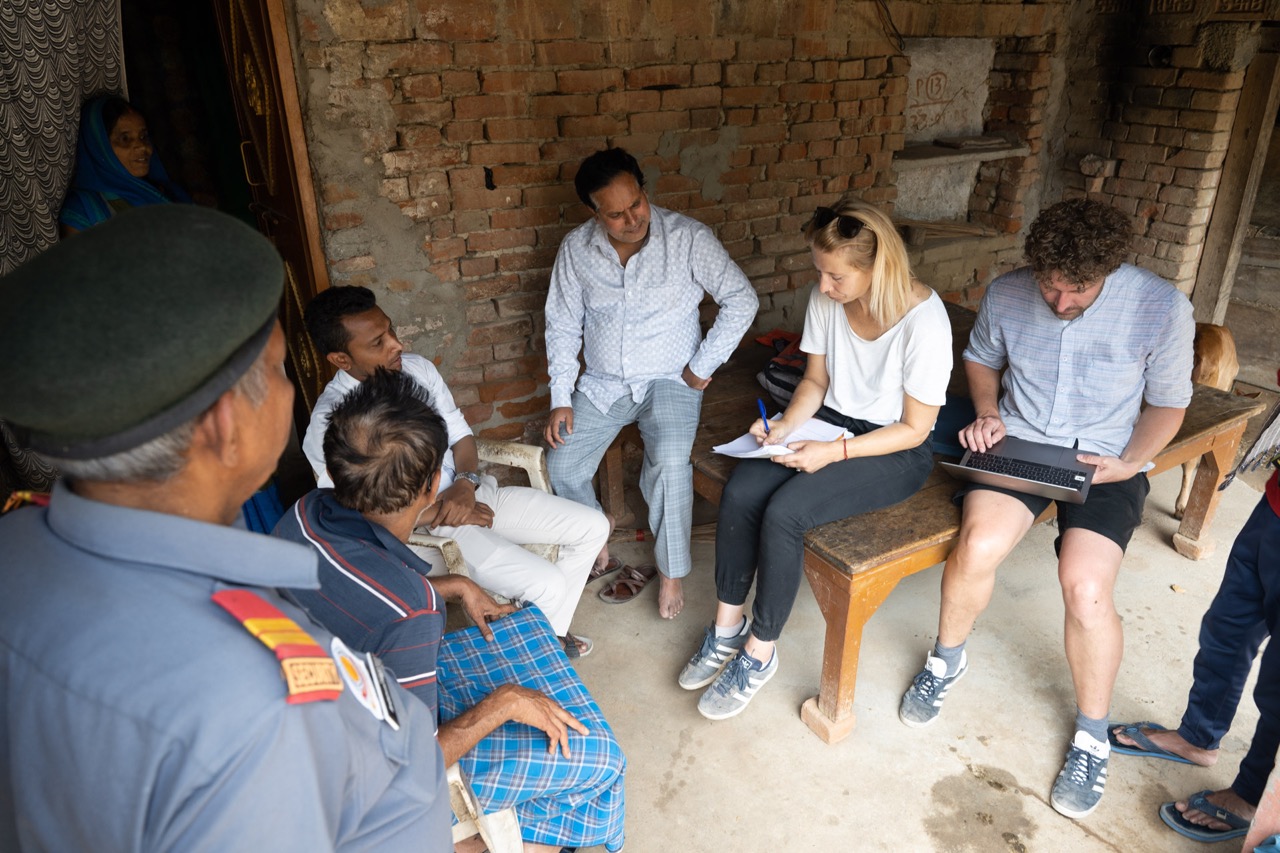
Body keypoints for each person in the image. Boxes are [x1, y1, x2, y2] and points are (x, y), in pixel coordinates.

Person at [0, 206, 450, 850]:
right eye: (276, 371)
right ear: (223, 424)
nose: (292, 392)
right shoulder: (252, 706)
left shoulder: (15, 546)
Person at [898, 198, 1196, 820]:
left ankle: (1092, 734)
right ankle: (944, 662)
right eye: (1050, 286)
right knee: (976, 546)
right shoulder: (1008, 293)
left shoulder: (1162, 307)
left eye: (1078, 290)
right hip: (1024, 441)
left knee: (1085, 586)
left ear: (1109, 271)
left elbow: (1168, 405)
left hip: (1105, 459)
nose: (1060, 303)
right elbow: (981, 359)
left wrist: (1131, 459)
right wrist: (987, 412)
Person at [276, 368, 627, 853]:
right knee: (601, 761)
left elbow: (353, 594)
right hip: (361, 772)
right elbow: (414, 763)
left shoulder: (305, 512)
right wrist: (503, 704)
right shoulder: (410, 610)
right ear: (432, 487)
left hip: (311, 709)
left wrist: (456, 583)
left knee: (529, 661)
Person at [681, 197, 952, 720]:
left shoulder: (925, 322)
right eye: (819, 272)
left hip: (894, 448)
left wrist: (832, 452)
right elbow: (815, 381)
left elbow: (915, 428)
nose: (824, 287)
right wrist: (784, 425)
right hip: (830, 422)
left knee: (787, 513)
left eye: (836, 277)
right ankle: (725, 628)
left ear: (878, 268)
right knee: (741, 489)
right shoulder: (827, 297)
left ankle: (759, 653)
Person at [302, 286, 609, 657]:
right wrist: (443, 510)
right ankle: (536, 653)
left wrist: (465, 485)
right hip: (424, 530)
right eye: (378, 342)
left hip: (469, 494)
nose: (397, 345)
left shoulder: (416, 369)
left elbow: (462, 438)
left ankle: (547, 643)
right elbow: (356, 514)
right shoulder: (331, 422)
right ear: (341, 358)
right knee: (548, 584)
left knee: (593, 526)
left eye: (392, 331)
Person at [543, 147, 759, 619]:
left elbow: (741, 299)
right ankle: (595, 536)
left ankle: (671, 574)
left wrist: (703, 365)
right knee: (562, 465)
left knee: (668, 462)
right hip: (603, 382)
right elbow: (561, 324)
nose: (631, 220)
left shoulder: (687, 239)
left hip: (672, 377)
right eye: (615, 214)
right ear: (593, 213)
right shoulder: (576, 250)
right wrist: (561, 397)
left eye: (635, 204)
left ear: (645, 190)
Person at [1108, 463, 1280, 842]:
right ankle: (1197, 737)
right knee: (1226, 630)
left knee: (1277, 689)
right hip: (1276, 506)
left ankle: (1251, 795)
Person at [59, 95, 190, 236]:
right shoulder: (83, 209)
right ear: (100, 146)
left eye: (143, 137)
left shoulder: (168, 193)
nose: (143, 148)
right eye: (125, 139)